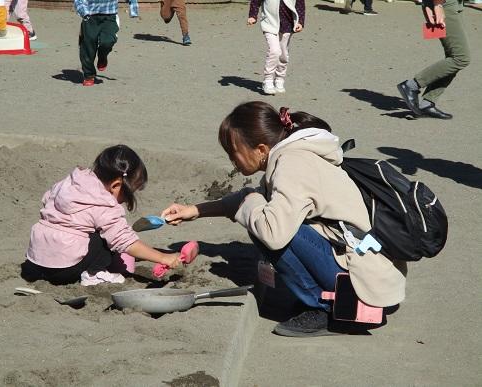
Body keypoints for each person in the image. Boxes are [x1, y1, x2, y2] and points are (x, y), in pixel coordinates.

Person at [161, 101, 407, 337]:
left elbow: (269, 229)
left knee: (266, 227)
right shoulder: (291, 155)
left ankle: (322, 308)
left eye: (233, 152)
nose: (232, 160)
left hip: (362, 281)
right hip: (367, 267)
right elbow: (251, 199)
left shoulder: (291, 165)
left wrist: (250, 203)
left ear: (260, 150)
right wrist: (194, 210)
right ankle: (320, 296)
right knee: (262, 212)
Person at [21, 145, 182, 286]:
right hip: (64, 270)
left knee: (85, 229)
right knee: (106, 236)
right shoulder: (104, 203)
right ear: (116, 185)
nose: (125, 201)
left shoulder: (71, 182)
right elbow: (124, 241)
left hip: (37, 260)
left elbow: (46, 201)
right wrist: (163, 257)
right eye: (129, 194)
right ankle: (93, 274)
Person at [397, 0, 470, 119]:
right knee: (461, 58)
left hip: (453, 4)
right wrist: (437, 4)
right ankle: (412, 85)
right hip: (445, 4)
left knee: (454, 57)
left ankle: (427, 103)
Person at [74, 0, 139, 86]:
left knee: (108, 41)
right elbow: (78, 1)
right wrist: (84, 13)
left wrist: (133, 10)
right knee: (88, 44)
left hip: (110, 17)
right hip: (90, 16)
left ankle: (102, 56)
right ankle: (89, 75)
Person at [247, 0, 305, 95]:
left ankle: (279, 79)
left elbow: (300, 4)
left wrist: (300, 21)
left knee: (283, 54)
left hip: (288, 24)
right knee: (274, 51)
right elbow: (255, 1)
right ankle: (268, 80)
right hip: (269, 23)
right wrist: (253, 16)